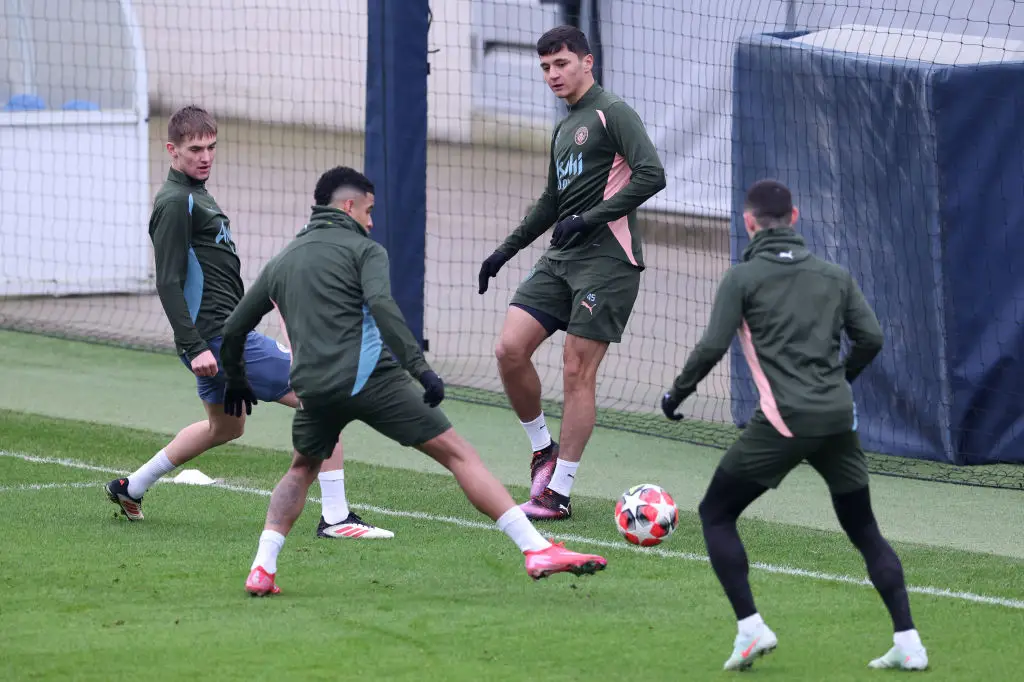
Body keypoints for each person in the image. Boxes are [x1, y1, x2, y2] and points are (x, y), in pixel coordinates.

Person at [219, 166, 608, 595]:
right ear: (348, 206)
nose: (371, 222)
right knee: (459, 455)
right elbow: (384, 308)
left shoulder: (281, 261)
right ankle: (536, 549)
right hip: (373, 380)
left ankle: (262, 568)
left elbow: (234, 327)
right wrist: (420, 370)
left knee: (301, 469)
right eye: (369, 211)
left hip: (314, 389)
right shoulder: (365, 250)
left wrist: (235, 379)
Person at [659, 180, 928, 672]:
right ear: (795, 217)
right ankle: (909, 641)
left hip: (784, 421)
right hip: (838, 418)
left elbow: (712, 346)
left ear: (748, 222)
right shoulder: (834, 275)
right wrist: (839, 380)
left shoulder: (742, 278)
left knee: (716, 513)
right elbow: (871, 337)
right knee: (865, 529)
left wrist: (677, 394)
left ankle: (750, 627)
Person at [105, 106, 391, 541]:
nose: (205, 156)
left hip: (220, 337)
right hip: (217, 340)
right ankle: (336, 518)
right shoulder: (176, 201)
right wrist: (195, 345)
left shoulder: (196, 195)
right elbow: (168, 280)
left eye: (211, 147)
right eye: (194, 149)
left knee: (225, 426)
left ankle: (131, 487)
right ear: (172, 150)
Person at [477, 25, 666, 520]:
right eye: (545, 67)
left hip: (608, 262)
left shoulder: (612, 112)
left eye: (561, 64)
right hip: (561, 261)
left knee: (576, 370)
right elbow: (551, 201)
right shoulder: (564, 127)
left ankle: (556, 493)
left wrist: (589, 218)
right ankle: (543, 448)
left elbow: (653, 175)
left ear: (587, 62)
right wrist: (503, 252)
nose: (553, 75)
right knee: (509, 349)